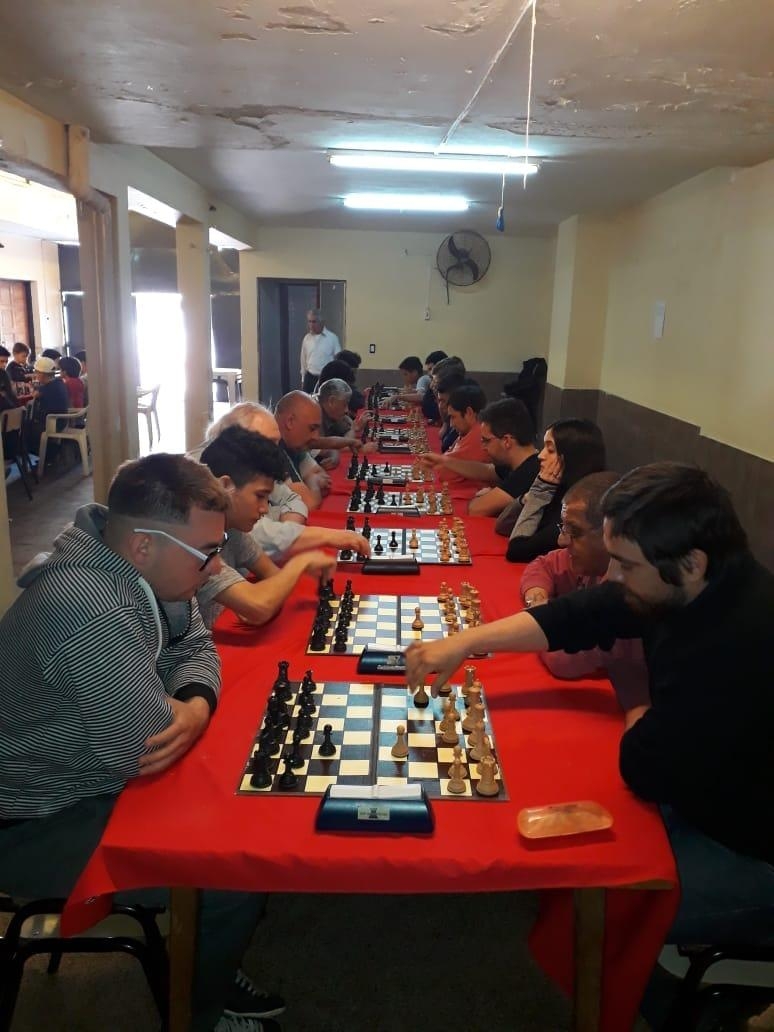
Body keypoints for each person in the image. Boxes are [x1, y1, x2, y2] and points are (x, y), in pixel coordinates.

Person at [406, 463, 774, 1010]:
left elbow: (643, 766)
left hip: (748, 851)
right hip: (703, 790)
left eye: (626, 565)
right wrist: (466, 641)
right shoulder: (693, 585)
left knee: (590, 899)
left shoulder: (736, 643)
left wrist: (638, 700)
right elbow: (586, 612)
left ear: (692, 562)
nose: (614, 578)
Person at [0, 453, 285, 1032]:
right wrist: (182, 714)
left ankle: (206, 957)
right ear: (143, 546)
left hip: (91, 775)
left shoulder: (145, 567)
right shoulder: (90, 609)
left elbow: (196, 645)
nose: (215, 567)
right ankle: (201, 1012)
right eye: (206, 552)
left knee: (242, 804)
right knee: (234, 868)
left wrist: (195, 703)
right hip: (34, 820)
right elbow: (148, 748)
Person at [520, 471, 650, 723]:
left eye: (575, 532)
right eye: (564, 528)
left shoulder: (628, 595)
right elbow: (543, 565)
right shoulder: (590, 561)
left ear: (610, 533)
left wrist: (543, 616)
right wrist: (537, 599)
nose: (562, 540)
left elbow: (562, 660)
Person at [197, 426, 337, 629]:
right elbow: (259, 605)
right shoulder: (194, 541)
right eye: (259, 496)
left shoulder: (232, 530)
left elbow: (273, 578)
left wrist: (265, 601)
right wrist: (300, 563)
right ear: (226, 485)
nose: (264, 509)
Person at [201, 403, 369, 562]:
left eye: (277, 443)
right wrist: (328, 536)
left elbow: (293, 499)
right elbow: (259, 535)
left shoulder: (259, 472)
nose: (277, 451)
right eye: (267, 443)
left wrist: (286, 528)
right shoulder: (213, 486)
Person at [501, 418, 606, 562]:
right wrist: (530, 496)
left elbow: (516, 551)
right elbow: (503, 526)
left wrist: (538, 495)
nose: (540, 455)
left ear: (572, 457)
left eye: (550, 450)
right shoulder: (552, 486)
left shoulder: (577, 506)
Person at [423, 397, 538, 517]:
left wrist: (489, 494)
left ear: (507, 441)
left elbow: (476, 509)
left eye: (486, 440)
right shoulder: (520, 462)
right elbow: (487, 470)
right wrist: (444, 461)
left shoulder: (527, 473)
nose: (483, 447)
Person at [419, 383, 489, 493]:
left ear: (469, 413)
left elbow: (445, 473)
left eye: (453, 417)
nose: (451, 424)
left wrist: (443, 461)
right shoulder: (468, 432)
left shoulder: (478, 434)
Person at [274, 391, 332, 510]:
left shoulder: (294, 443)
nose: (316, 436)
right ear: (290, 422)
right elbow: (309, 504)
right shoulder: (273, 447)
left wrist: (312, 481)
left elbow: (319, 474)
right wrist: (313, 482)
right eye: (312, 428)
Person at [312, 378, 371, 470]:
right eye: (344, 404)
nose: (347, 410)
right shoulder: (312, 413)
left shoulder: (333, 412)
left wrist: (338, 447)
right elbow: (315, 446)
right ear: (331, 401)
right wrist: (352, 447)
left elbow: (350, 428)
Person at [27, 355, 70, 455]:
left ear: (42, 374)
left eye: (36, 372)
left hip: (52, 423)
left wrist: (32, 388)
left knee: (25, 428)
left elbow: (34, 395)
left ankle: (44, 454)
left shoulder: (47, 388)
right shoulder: (59, 382)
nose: (35, 375)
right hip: (61, 421)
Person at [299, 309, 340, 393]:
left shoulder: (332, 338)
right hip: (310, 378)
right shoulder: (306, 338)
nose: (311, 325)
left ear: (322, 322)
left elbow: (338, 360)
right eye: (309, 321)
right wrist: (303, 379)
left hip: (326, 378)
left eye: (314, 322)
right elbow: (303, 360)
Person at [336, 349, 366, 414]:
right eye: (354, 371)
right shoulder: (338, 384)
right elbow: (357, 403)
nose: (355, 374)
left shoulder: (331, 376)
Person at [421, 350, 447, 422]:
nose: (429, 374)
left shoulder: (451, 387)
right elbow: (426, 408)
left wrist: (437, 397)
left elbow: (446, 420)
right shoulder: (434, 384)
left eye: (430, 369)